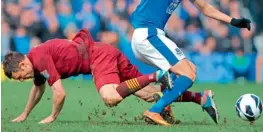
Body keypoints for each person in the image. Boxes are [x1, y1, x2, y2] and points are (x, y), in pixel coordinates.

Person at [130, 0, 251, 126]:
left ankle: (180, 102)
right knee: (188, 73)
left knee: (189, 70)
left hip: (149, 38)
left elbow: (205, 8)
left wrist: (233, 21)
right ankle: (155, 110)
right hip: (148, 35)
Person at [3, 28, 215, 124]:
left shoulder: (39, 58)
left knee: (110, 97)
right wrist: (25, 114)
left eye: (19, 76)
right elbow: (38, 89)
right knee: (150, 95)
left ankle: (158, 75)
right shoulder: (36, 62)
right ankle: (200, 98)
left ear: (22, 64)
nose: (22, 79)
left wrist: (52, 117)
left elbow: (59, 94)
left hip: (98, 57)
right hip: (104, 53)